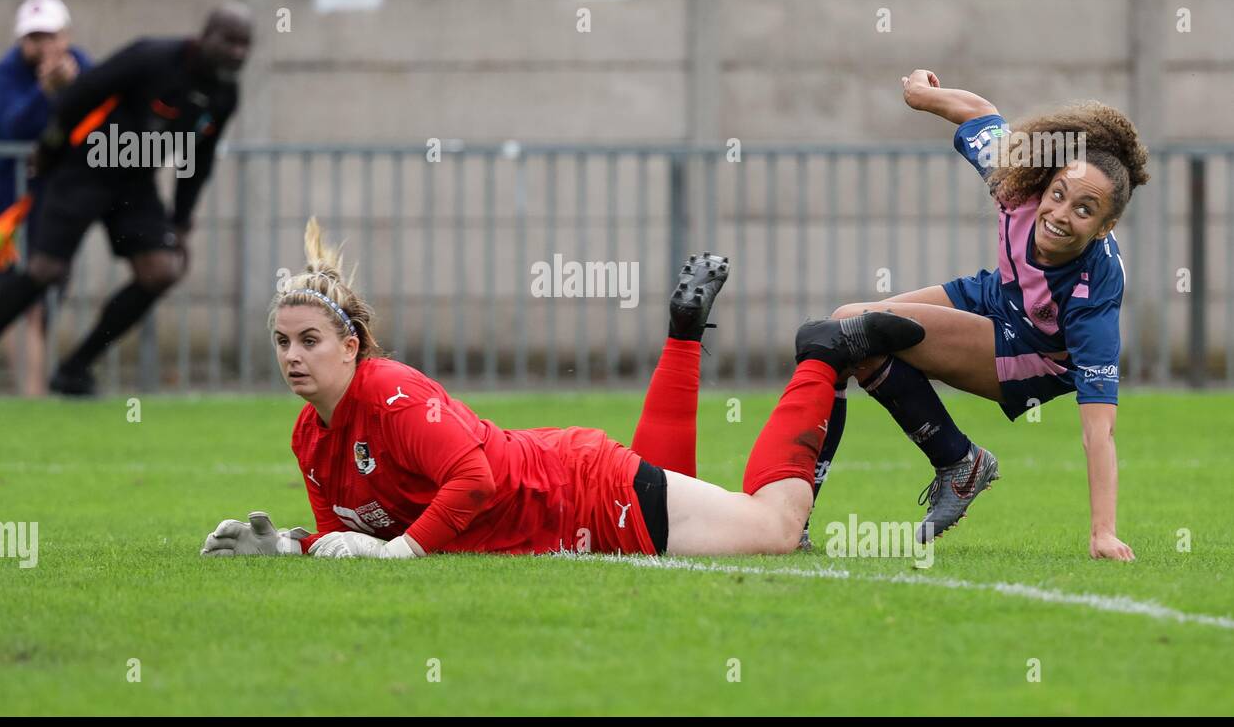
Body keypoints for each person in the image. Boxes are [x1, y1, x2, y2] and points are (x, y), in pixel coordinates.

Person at [200, 220, 926, 560]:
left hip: (580, 489)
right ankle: (683, 339)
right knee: (685, 490)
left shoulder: (390, 392)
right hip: (577, 500)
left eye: (310, 342)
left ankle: (820, 357)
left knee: (776, 532)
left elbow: (473, 479)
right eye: (282, 343)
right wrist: (293, 549)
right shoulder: (309, 437)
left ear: (351, 347)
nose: (293, 357)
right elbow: (349, 540)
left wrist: (405, 553)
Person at [809, 69, 1148, 561]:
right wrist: (923, 96)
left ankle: (797, 512)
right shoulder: (1017, 183)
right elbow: (979, 113)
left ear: (1105, 226)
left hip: (1032, 356)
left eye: (1084, 209)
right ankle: (954, 462)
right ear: (1046, 182)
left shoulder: (1094, 290)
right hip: (994, 297)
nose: (1060, 213)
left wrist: (1103, 532)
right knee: (845, 323)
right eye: (1059, 194)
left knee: (860, 333)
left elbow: (1100, 426)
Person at [0, 3, 253, 402]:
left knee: (162, 270)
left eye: (246, 45)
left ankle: (74, 369)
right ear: (206, 34)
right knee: (44, 270)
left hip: (135, 182)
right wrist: (51, 150)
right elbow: (84, 92)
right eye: (230, 41)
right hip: (85, 168)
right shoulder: (151, 55)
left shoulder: (225, 93)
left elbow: (199, 159)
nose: (238, 52)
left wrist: (181, 220)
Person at [0, 0, 93, 396]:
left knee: (48, 294)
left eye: (50, 35)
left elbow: (97, 119)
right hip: (7, 202)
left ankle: (37, 388)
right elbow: (13, 126)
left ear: (65, 35)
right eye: (34, 37)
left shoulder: (82, 65)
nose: (43, 45)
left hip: (58, 199)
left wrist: (73, 86)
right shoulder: (6, 73)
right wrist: (47, 90)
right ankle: (28, 390)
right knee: (14, 292)